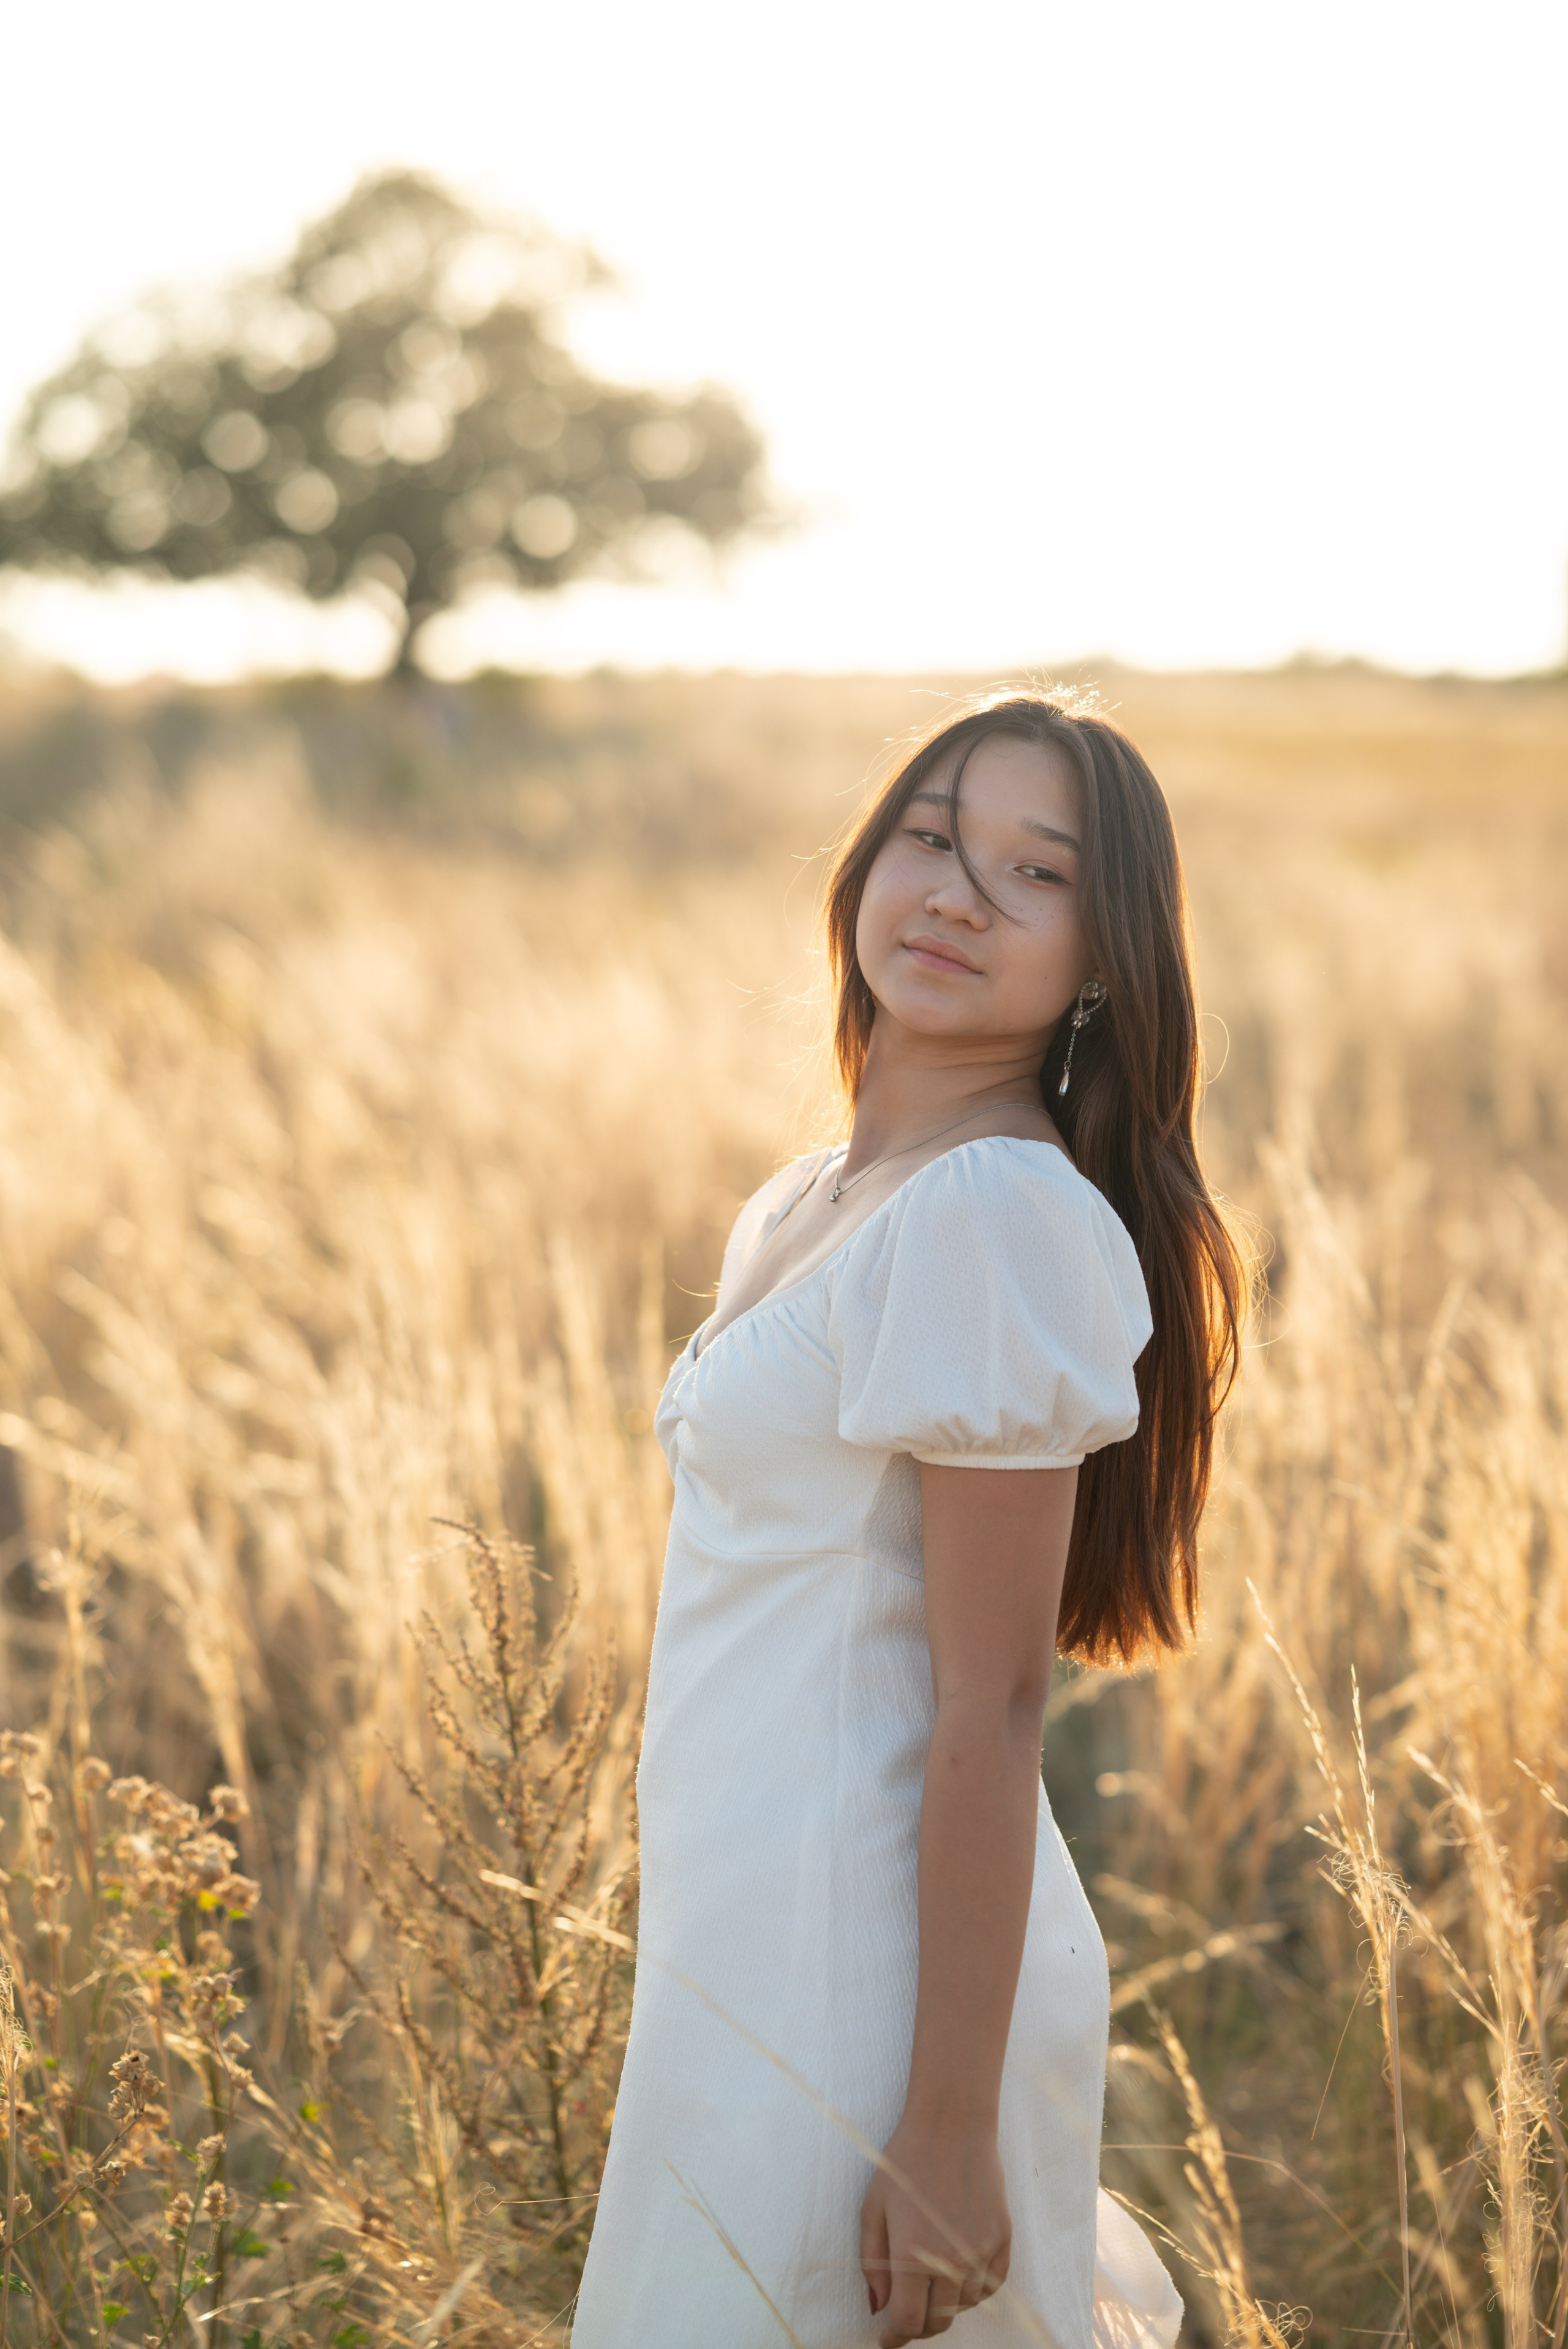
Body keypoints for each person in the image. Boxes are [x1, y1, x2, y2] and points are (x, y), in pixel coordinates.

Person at [570, 689, 1246, 2348]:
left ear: (1102, 958)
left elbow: (995, 1700)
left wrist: (941, 2127)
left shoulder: (994, 1215)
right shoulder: (812, 1199)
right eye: (933, 836)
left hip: (864, 1966)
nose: (955, 891)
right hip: (742, 1932)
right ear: (866, 861)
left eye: (1034, 871)